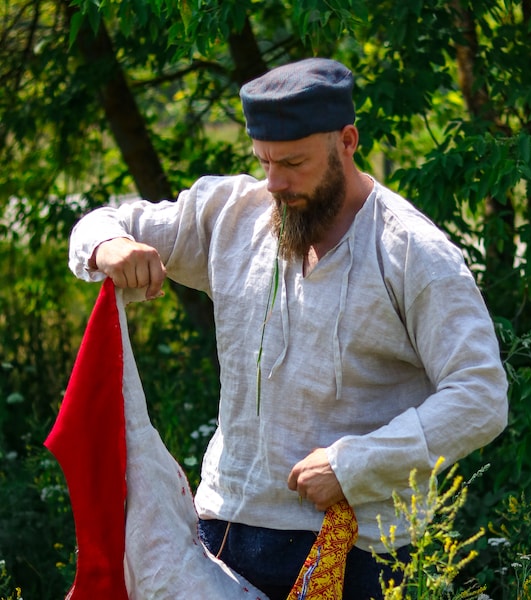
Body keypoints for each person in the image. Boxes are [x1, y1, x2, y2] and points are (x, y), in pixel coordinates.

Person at [69, 57, 508, 599]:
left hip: (357, 547)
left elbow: (480, 396)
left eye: (293, 164)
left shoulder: (412, 252)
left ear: (346, 141)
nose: (274, 183)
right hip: (224, 530)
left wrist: (355, 464)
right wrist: (109, 247)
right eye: (265, 162)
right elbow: (98, 224)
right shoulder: (232, 214)